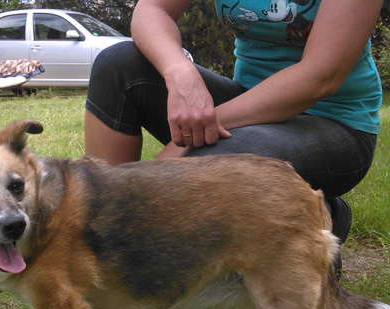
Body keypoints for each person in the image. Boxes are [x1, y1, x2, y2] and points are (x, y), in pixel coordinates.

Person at [84, 0, 383, 271]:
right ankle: (108, 242)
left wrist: (186, 142)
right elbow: (152, 9)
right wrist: (180, 73)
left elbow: (320, 77)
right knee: (118, 65)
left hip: (334, 121)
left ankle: (317, 217)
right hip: (248, 102)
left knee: (216, 168)